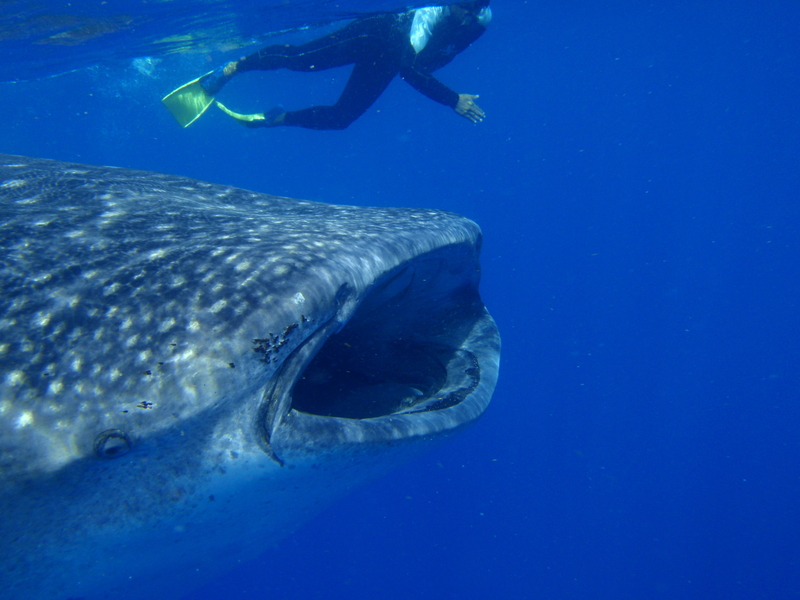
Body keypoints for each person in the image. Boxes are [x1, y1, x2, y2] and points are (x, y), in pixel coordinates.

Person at [192, 2, 492, 130]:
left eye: (475, 6)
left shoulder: (480, 20)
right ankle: (232, 68)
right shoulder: (428, 18)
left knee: (341, 118)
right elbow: (409, 71)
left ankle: (276, 119)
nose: (467, 13)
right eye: (463, 4)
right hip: (372, 35)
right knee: (300, 61)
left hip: (389, 58)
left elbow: (442, 54)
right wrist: (452, 99)